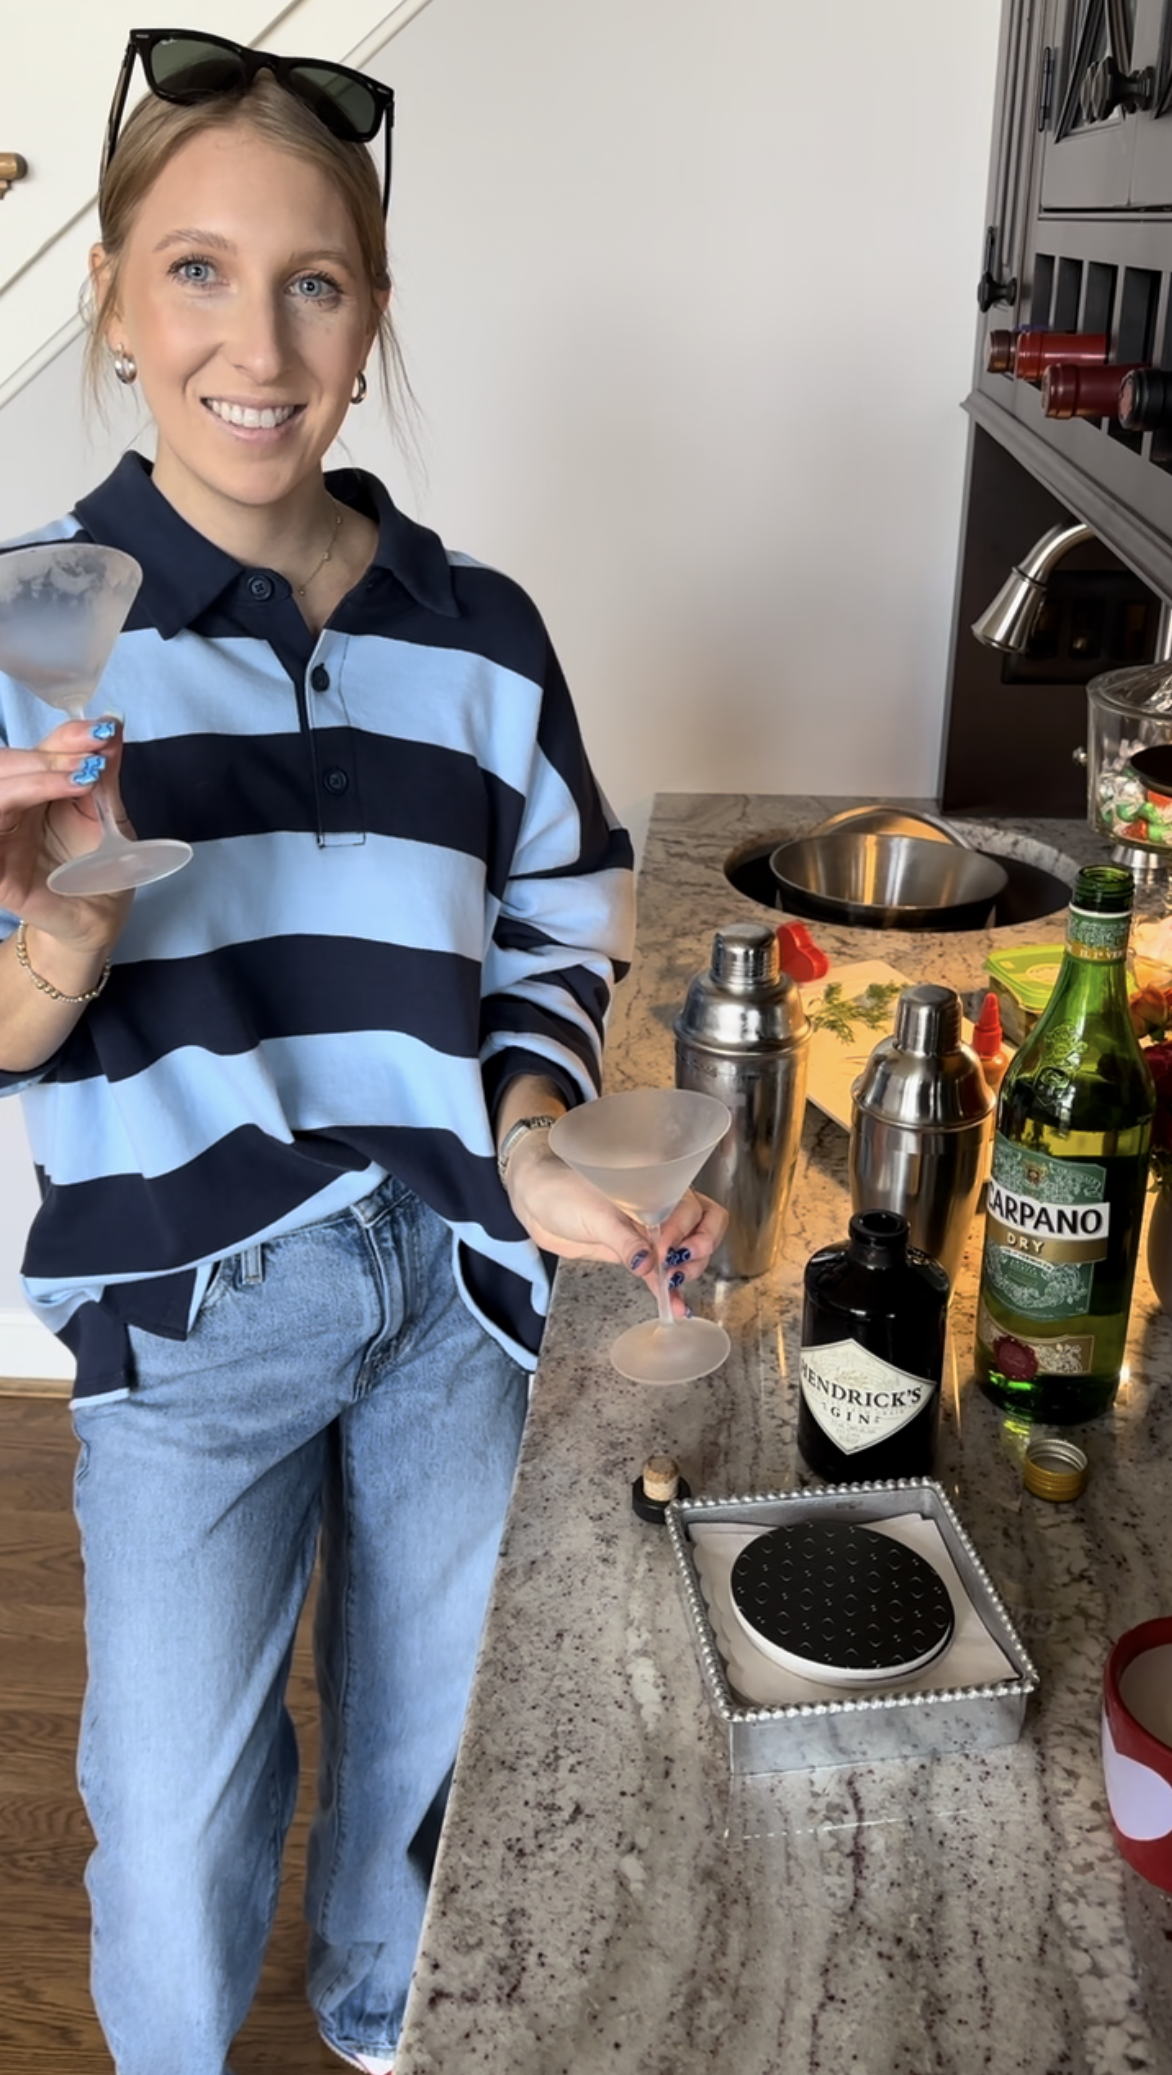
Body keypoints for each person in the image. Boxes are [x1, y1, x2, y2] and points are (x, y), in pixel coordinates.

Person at [0, 30, 726, 2075]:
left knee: (430, 1755)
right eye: (199, 270)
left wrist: (522, 1124)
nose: (259, 335)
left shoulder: (478, 631)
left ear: (374, 312)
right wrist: (56, 923)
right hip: (188, 1301)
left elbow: (556, 922)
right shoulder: (34, 631)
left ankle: (384, 2025)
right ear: (115, 298)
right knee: (175, 1812)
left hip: (456, 1301)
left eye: (316, 279)